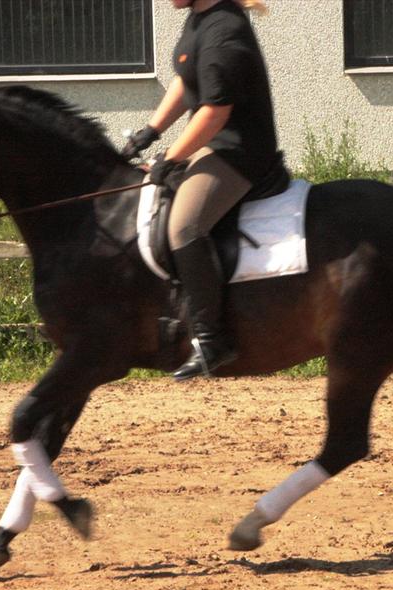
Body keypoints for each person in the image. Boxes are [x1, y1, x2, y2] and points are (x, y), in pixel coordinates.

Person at [121, 0, 286, 381]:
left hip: (239, 150)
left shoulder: (223, 31)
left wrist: (171, 159)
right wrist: (151, 131)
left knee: (184, 226)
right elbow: (186, 78)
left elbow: (214, 112)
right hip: (215, 142)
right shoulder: (199, 20)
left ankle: (213, 340)